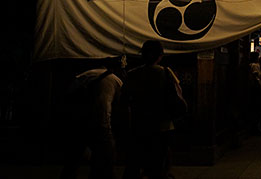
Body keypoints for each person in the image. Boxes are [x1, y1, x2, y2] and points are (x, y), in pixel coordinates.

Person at [122, 40, 186, 179]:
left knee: (138, 160)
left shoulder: (132, 74)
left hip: (139, 124)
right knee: (160, 160)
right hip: (163, 124)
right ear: (160, 55)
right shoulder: (166, 72)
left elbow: (124, 99)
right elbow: (178, 95)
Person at [59, 56, 126, 179]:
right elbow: (121, 106)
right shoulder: (116, 80)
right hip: (102, 124)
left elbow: (67, 97)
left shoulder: (83, 75)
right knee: (106, 160)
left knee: (72, 161)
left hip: (79, 123)